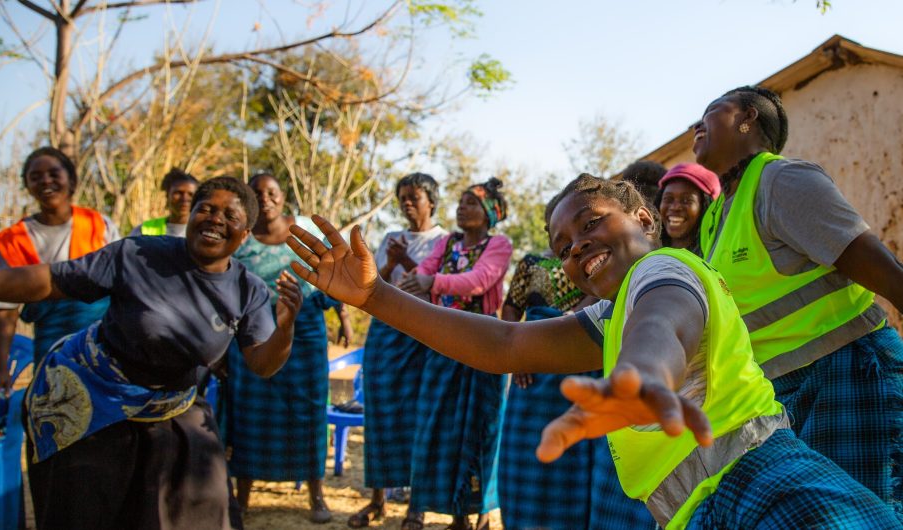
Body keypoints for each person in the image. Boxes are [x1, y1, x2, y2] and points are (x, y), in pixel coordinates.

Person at [285, 175, 900, 529]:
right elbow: (505, 343)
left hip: (771, 491)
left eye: (591, 223)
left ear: (644, 218)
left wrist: (639, 378)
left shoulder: (663, 271)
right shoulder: (610, 315)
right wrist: (374, 296)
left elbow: (664, 325)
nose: (576, 247)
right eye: (563, 245)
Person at [0, 176, 302, 529]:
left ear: (244, 236)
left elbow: (262, 363)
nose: (215, 219)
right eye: (207, 209)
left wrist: (285, 329)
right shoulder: (136, 253)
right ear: (192, 214)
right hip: (92, 398)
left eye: (230, 216)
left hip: (174, 403)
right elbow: (52, 281)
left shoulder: (249, 290)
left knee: (207, 510)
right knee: (83, 510)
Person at [694, 85, 903, 516]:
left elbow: (878, 266)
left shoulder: (781, 180)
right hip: (784, 392)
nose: (697, 125)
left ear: (747, 117)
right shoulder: (717, 214)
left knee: (871, 516)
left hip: (849, 372)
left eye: (712, 111)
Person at [222, 172, 352, 524]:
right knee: (249, 412)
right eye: (257, 193)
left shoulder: (306, 231)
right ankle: (243, 496)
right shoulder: (242, 239)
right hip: (253, 331)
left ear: (283, 197)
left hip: (307, 329)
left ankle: (316, 495)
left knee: (308, 412)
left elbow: (332, 276)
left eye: (272, 192)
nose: (265, 199)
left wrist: (343, 315)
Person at [499, 249, 654, 530]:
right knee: (532, 460)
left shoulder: (607, 263)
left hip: (584, 362)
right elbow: (511, 311)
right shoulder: (532, 262)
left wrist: (564, 326)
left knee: (577, 460)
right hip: (533, 374)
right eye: (560, 236)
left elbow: (597, 306)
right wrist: (522, 351)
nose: (573, 243)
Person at [395, 177, 511, 530]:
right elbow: (420, 275)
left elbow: (479, 280)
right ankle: (421, 506)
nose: (462, 209)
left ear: (490, 213)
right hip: (443, 343)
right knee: (434, 424)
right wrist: (419, 281)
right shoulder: (447, 243)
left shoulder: (499, 245)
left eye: (471, 204)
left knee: (478, 426)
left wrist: (432, 283)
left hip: (482, 344)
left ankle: (471, 513)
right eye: (460, 203)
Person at [348, 172, 448, 529]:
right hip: (385, 336)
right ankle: (378, 500)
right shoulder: (391, 237)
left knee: (418, 419)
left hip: (421, 337)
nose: (407, 203)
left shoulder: (445, 241)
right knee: (380, 416)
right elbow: (371, 284)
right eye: (402, 198)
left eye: (414, 197)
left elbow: (435, 290)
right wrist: (390, 261)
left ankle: (415, 508)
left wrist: (405, 259)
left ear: (431, 200)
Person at [0, 147, 119, 410]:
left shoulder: (98, 224)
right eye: (36, 176)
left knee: (104, 409)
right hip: (50, 340)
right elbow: (5, 312)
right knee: (54, 408)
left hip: (103, 338)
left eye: (53, 173)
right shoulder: (13, 239)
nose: (46, 181)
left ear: (70, 178)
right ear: (27, 186)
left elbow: (121, 286)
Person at [654, 163, 720, 254]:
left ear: (706, 206)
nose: (675, 207)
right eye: (668, 199)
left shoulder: (716, 254)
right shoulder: (648, 252)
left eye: (686, 200)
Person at [129, 167, 200, 237]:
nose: (184, 199)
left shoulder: (202, 232)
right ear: (167, 195)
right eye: (178, 193)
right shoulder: (144, 230)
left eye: (191, 194)